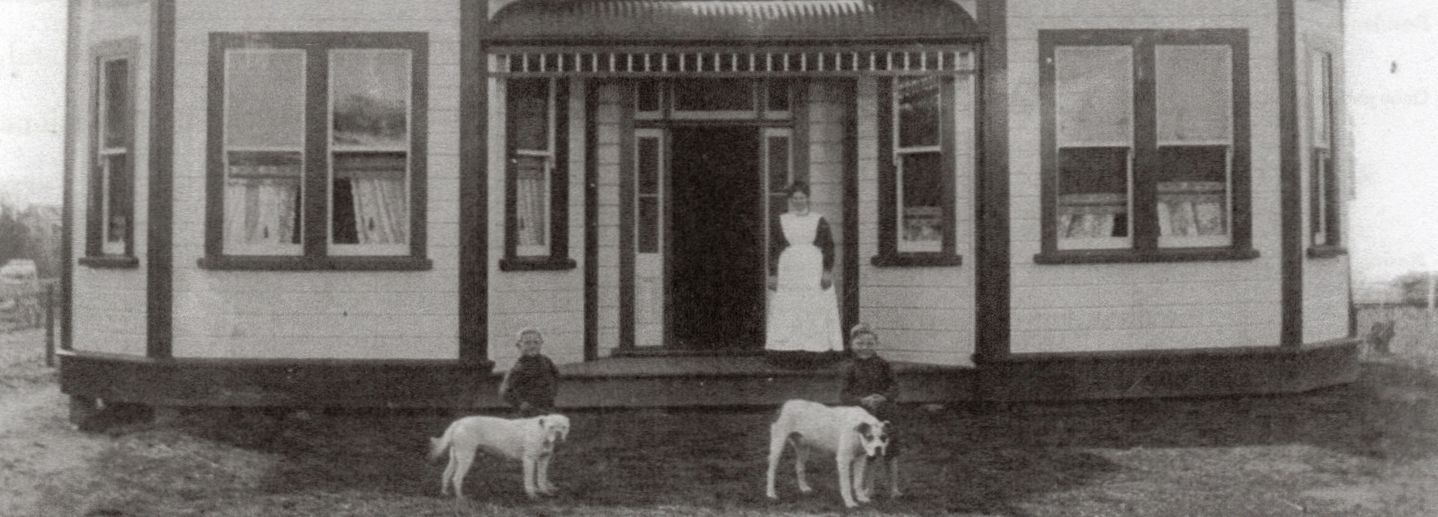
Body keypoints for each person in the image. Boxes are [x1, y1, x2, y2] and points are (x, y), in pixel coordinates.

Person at [765, 181, 844, 368]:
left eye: (802, 197)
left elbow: (828, 247)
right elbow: (774, 247)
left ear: (807, 198)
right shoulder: (782, 219)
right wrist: (773, 274)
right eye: (795, 198)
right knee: (788, 306)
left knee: (813, 305)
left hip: (812, 266)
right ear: (790, 200)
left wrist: (826, 271)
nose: (798, 201)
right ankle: (786, 349)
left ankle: (815, 348)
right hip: (789, 268)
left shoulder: (819, 219)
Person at [498, 328, 560, 417]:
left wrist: (551, 394)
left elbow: (556, 377)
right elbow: (505, 391)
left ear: (541, 344)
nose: (532, 346)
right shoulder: (517, 367)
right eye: (527, 343)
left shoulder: (546, 362)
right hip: (527, 413)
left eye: (536, 342)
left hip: (547, 408)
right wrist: (522, 404)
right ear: (518, 345)